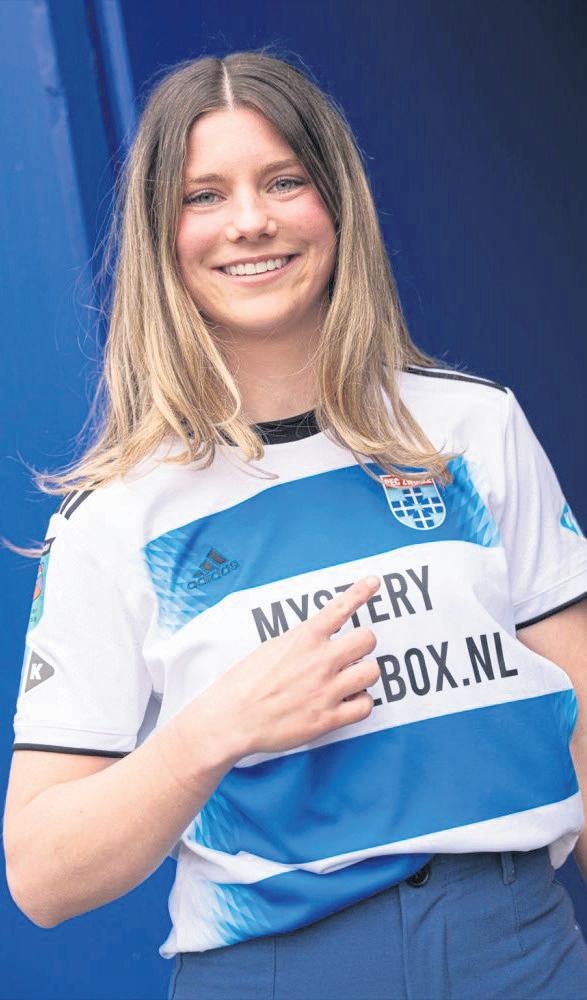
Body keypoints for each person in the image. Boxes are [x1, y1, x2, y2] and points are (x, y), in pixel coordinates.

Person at [3, 49, 587, 1000]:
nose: (250, 222)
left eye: (283, 181)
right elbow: (41, 875)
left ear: (336, 203)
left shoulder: (473, 430)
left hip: (522, 952)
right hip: (279, 970)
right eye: (203, 195)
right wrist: (212, 732)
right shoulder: (117, 519)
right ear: (160, 236)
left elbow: (581, 723)